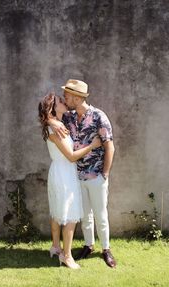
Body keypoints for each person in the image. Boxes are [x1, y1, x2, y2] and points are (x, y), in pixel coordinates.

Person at [50, 79, 117, 268]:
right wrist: (49, 121)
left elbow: (110, 147)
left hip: (96, 175)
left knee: (100, 214)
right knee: (85, 214)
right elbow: (47, 115)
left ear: (78, 98)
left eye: (67, 96)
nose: (65, 98)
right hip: (76, 176)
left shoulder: (98, 117)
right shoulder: (69, 117)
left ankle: (106, 249)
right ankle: (89, 246)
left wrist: (105, 173)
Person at [38, 93, 101, 269]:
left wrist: (51, 120)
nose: (64, 101)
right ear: (52, 107)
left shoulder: (60, 123)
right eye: (60, 101)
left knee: (58, 211)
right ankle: (67, 256)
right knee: (70, 215)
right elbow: (71, 156)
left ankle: (55, 247)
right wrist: (92, 146)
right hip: (63, 172)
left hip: (63, 171)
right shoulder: (53, 129)